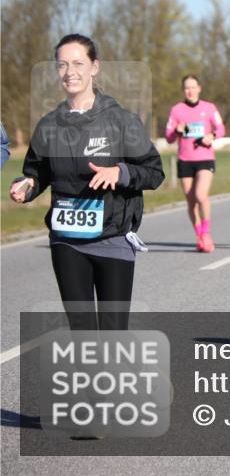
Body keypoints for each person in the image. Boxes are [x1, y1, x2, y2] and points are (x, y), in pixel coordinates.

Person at [9, 34, 164, 331]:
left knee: (112, 331)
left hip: (113, 238)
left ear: (94, 67)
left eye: (78, 63)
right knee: (81, 329)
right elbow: (37, 172)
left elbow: (154, 171)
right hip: (67, 239)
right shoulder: (49, 125)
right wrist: (26, 184)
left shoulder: (121, 121)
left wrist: (120, 173)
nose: (70, 72)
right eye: (62, 65)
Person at [165, 75, 226, 253]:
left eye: (193, 87)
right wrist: (176, 131)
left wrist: (211, 136)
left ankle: (206, 234)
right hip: (185, 160)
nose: (190, 91)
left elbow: (221, 128)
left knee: (201, 195)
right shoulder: (177, 110)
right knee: (191, 202)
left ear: (199, 88)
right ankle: (199, 236)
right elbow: (169, 138)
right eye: (186, 88)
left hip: (205, 159)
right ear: (183, 90)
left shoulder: (209, 108)